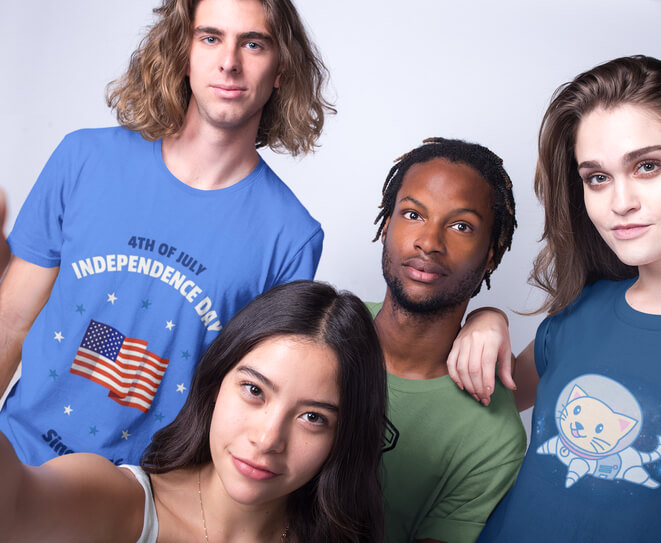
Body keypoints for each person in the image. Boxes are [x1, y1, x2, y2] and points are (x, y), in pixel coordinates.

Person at [448, 56, 661, 542]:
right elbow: (471, 403)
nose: (620, 202)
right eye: (597, 177)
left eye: (647, 166)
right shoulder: (579, 314)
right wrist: (485, 319)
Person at [0, 0, 334, 466]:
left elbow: (252, 401)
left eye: (253, 44)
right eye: (210, 37)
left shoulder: (291, 237)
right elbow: (11, 320)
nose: (229, 62)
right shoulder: (83, 159)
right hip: (15, 456)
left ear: (281, 70)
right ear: (183, 50)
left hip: (142, 500)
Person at [1, 280, 387, 543]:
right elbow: (16, 506)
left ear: (344, 437)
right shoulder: (122, 501)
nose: (268, 439)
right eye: (254, 390)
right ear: (216, 383)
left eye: (313, 418)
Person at [369, 138, 527, 543]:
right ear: (387, 225)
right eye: (412, 214)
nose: (429, 242)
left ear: (491, 253)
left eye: (461, 226)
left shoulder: (492, 436)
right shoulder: (319, 330)